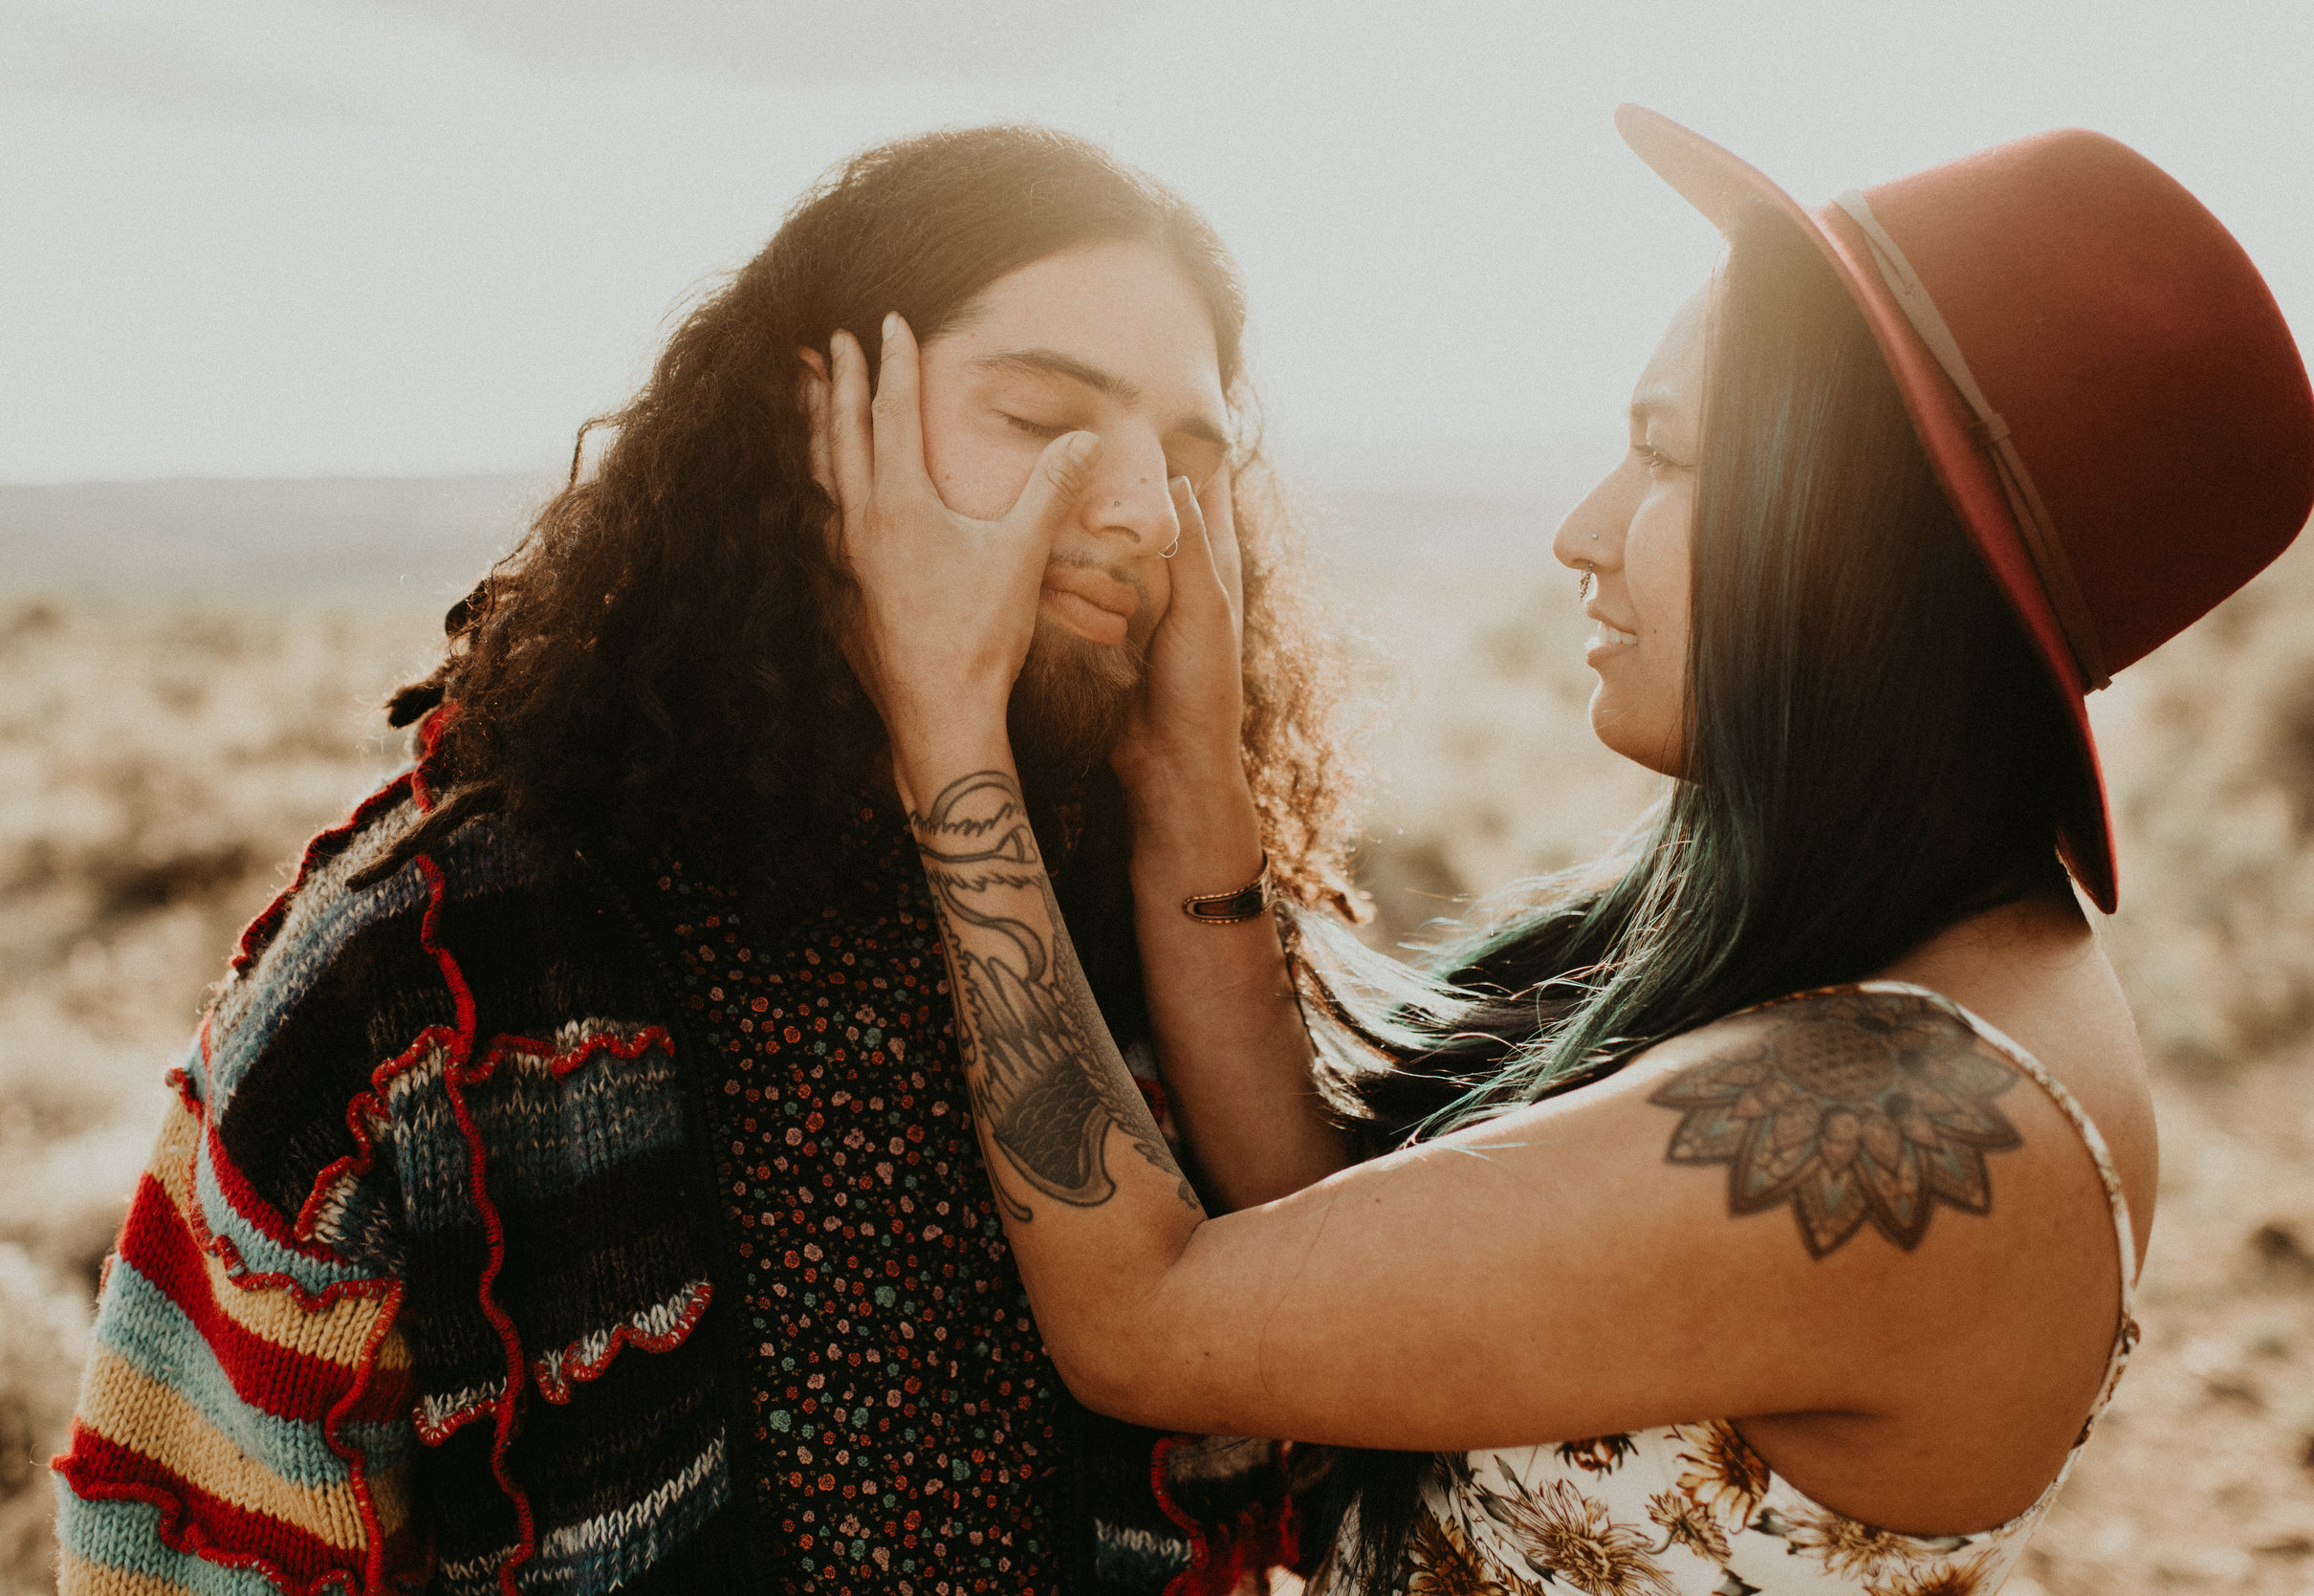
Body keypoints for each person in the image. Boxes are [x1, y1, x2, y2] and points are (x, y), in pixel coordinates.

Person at [823, 106, 2314, 1595]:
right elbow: (1307, 1211)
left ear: (1859, 532)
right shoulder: (1901, 944)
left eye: (1663, 458)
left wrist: (950, 735)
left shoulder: (1904, 1118)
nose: (1583, 531)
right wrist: (1187, 776)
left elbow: (1148, 1326)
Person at [51, 126, 1364, 1596]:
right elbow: (184, 1545)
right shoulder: (428, 964)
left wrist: (1195, 798)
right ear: (816, 426)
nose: (1136, 511)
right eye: (1047, 413)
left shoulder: (1192, 932)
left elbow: (1349, 1395)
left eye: (1192, 461)